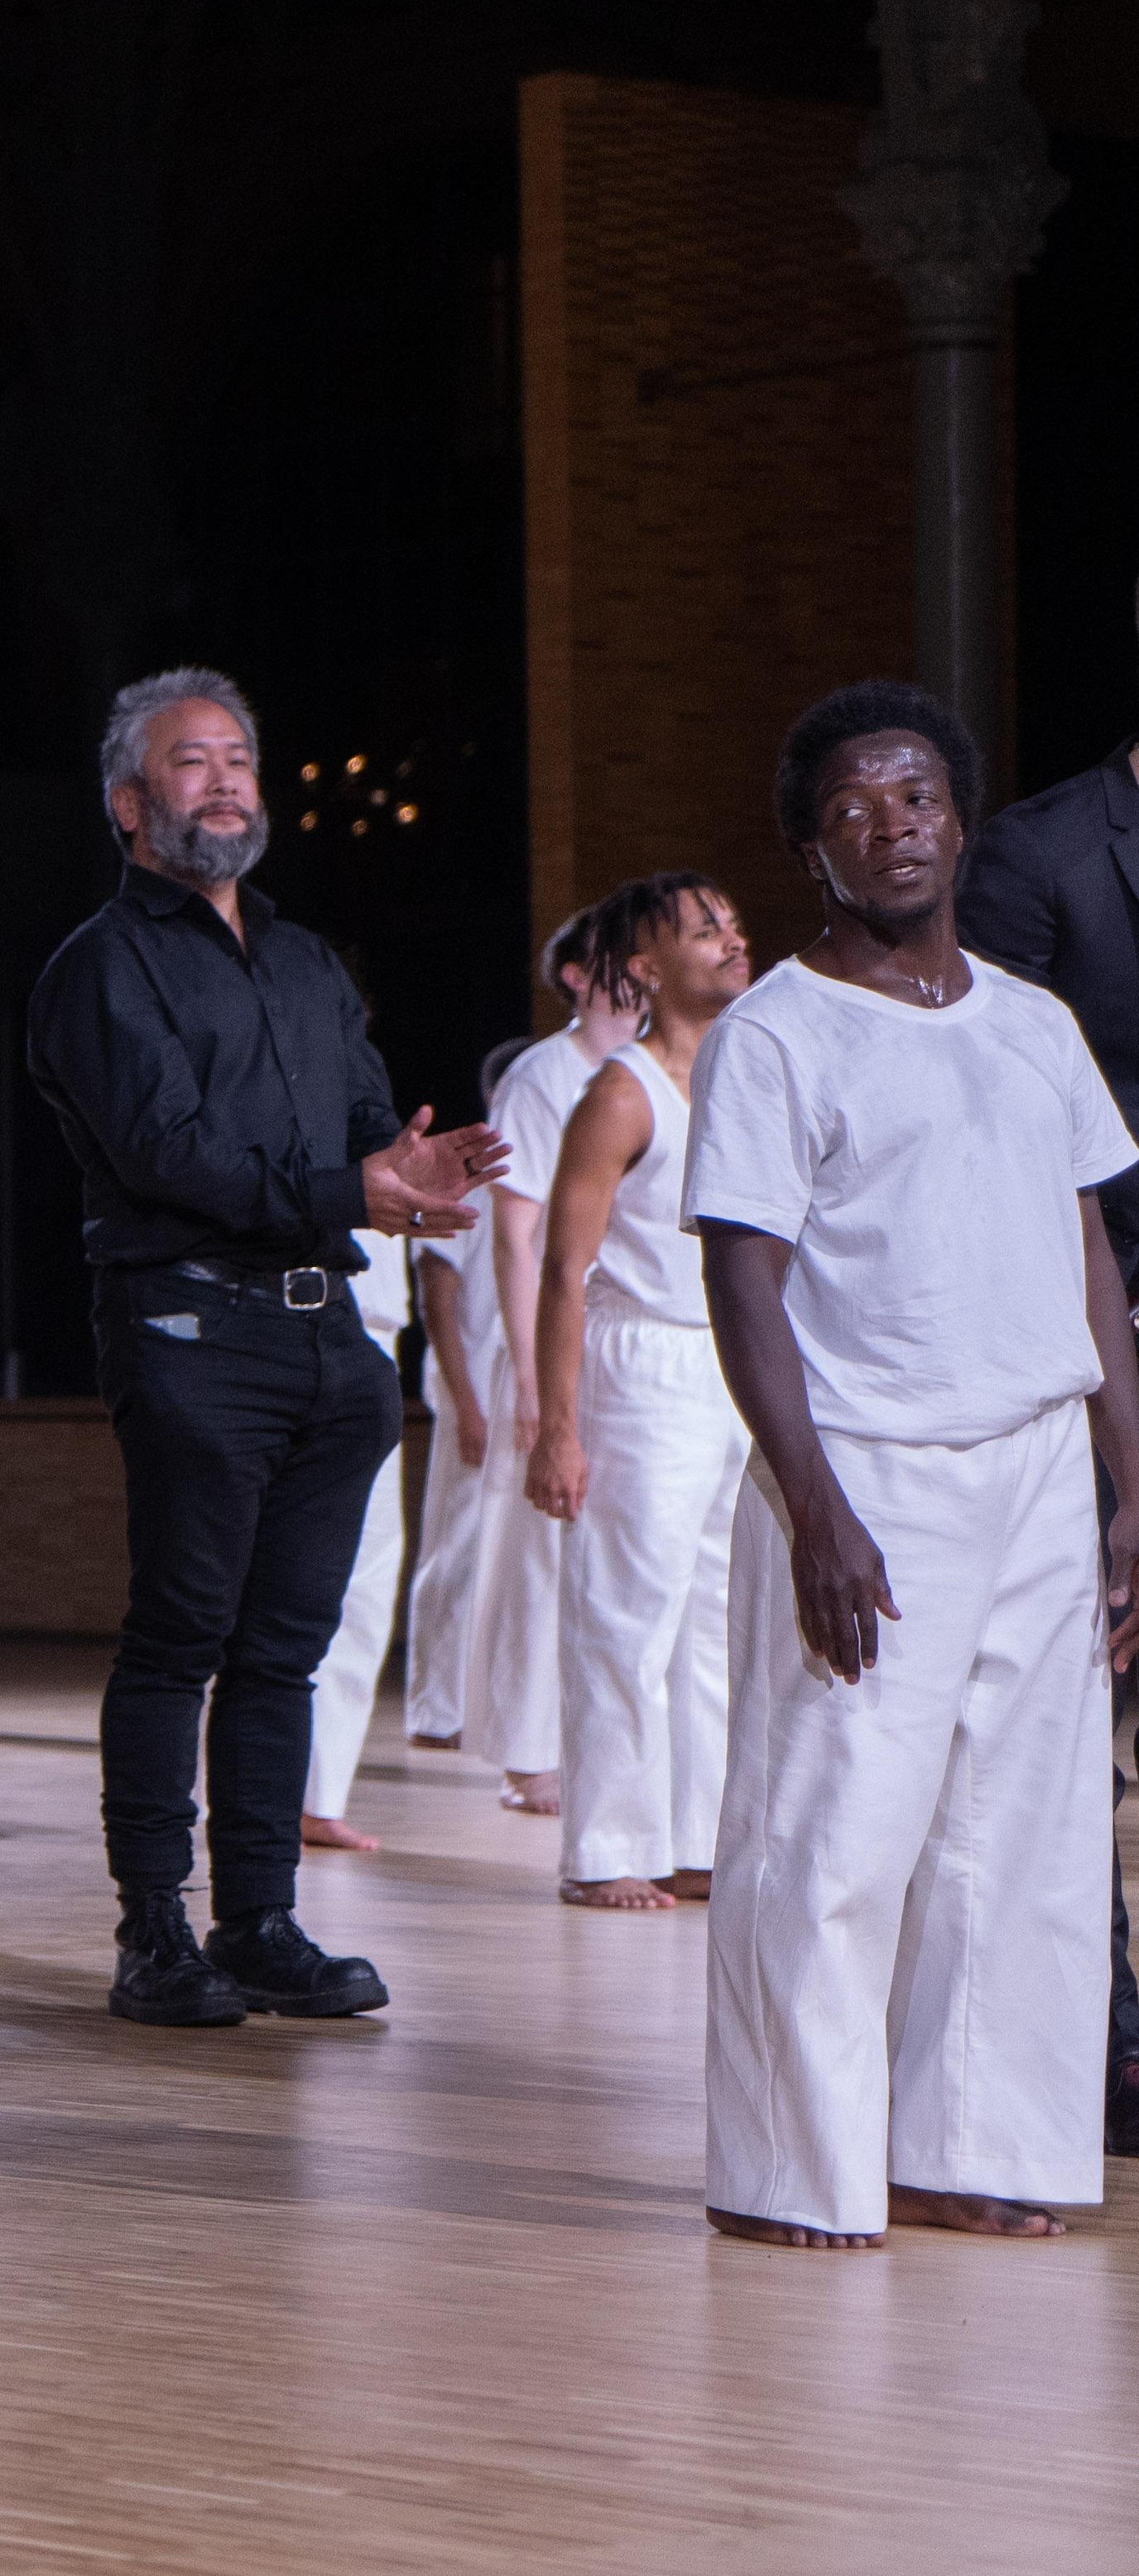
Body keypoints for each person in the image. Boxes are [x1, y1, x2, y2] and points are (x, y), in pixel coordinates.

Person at [692, 679, 1139, 2249]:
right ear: (816, 849)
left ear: (959, 816)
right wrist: (811, 1498)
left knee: (1019, 1836)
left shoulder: (1036, 1020)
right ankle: (787, 2169)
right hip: (867, 1472)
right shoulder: (776, 1034)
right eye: (859, 807)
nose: (898, 825)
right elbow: (742, 1282)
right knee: (830, 1831)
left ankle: (977, 2147)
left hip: (1031, 1470)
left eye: (922, 796)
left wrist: (1129, 1479)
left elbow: (1085, 1250)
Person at [26, 666, 500, 2027]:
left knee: (285, 1647)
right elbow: (166, 1153)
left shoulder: (304, 960)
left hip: (326, 1338)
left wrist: (408, 1163)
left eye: (240, 757)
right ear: (129, 802)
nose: (227, 779)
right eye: (192, 761)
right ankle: (151, 1931)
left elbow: (356, 1123)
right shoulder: (99, 966)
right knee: (181, 1633)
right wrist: (351, 1186)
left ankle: (260, 1918)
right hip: (187, 1326)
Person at [956, 717, 1139, 2144]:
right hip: (1096, 1331)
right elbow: (996, 1120)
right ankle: (1105, 2040)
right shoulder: (1041, 853)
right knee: (1093, 1705)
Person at [526, 872, 752, 1911]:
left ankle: (694, 1838)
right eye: (701, 928)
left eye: (729, 922)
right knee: (624, 1616)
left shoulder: (749, 1072)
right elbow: (561, 1270)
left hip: (728, 1363)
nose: (728, 937)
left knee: (713, 1619)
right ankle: (604, 1847)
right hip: (640, 1362)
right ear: (647, 968)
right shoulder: (621, 1090)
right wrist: (557, 1427)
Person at [469, 908, 643, 1814]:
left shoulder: (653, 1068)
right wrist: (531, 1378)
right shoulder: (543, 1077)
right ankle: (527, 1751)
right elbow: (516, 1235)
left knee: (617, 1548)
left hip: (632, 1340)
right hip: (551, 1330)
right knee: (537, 1546)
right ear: (577, 974)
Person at [398, 1042, 522, 1754]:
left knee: (507, 1553)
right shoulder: (468, 1180)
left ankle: (490, 1706)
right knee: (457, 1546)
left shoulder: (535, 1179)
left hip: (522, 1389)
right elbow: (438, 1298)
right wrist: (467, 1401)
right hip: (470, 1385)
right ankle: (435, 1707)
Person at [296, 1236, 419, 1852]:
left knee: (366, 1587)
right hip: (287, 1312)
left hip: (374, 1329)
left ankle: (320, 1797)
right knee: (268, 1581)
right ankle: (240, 1791)